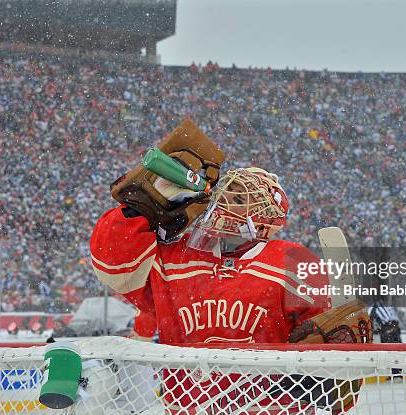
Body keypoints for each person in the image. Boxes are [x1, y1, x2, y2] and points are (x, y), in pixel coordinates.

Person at [90, 121, 330, 413]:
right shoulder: (177, 255)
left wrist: (325, 362)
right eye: (226, 192)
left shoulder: (294, 260)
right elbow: (114, 266)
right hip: (190, 408)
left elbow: (328, 346)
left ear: (266, 218)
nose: (224, 200)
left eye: (239, 198)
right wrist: (142, 209)